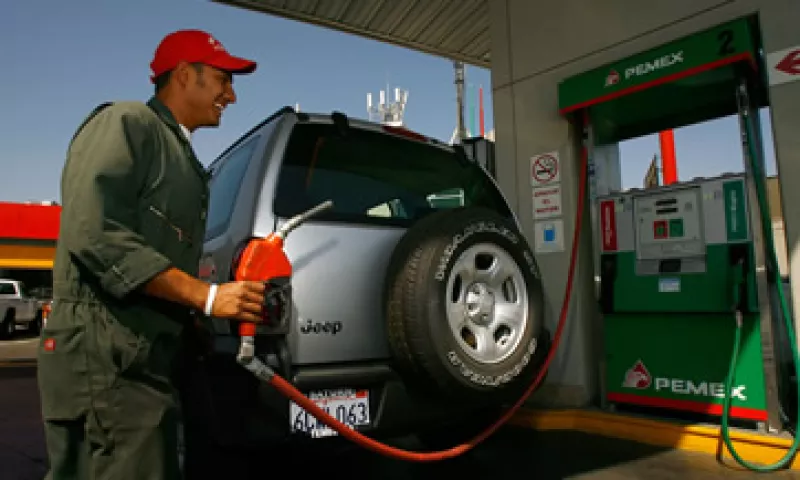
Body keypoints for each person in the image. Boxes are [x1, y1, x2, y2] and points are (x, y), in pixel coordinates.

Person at [37, 29, 264, 480]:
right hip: (106, 354)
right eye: (223, 79)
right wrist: (207, 296)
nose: (231, 95)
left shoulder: (181, 156)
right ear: (184, 75)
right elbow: (95, 231)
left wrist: (194, 322)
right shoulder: (127, 123)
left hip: (144, 356)